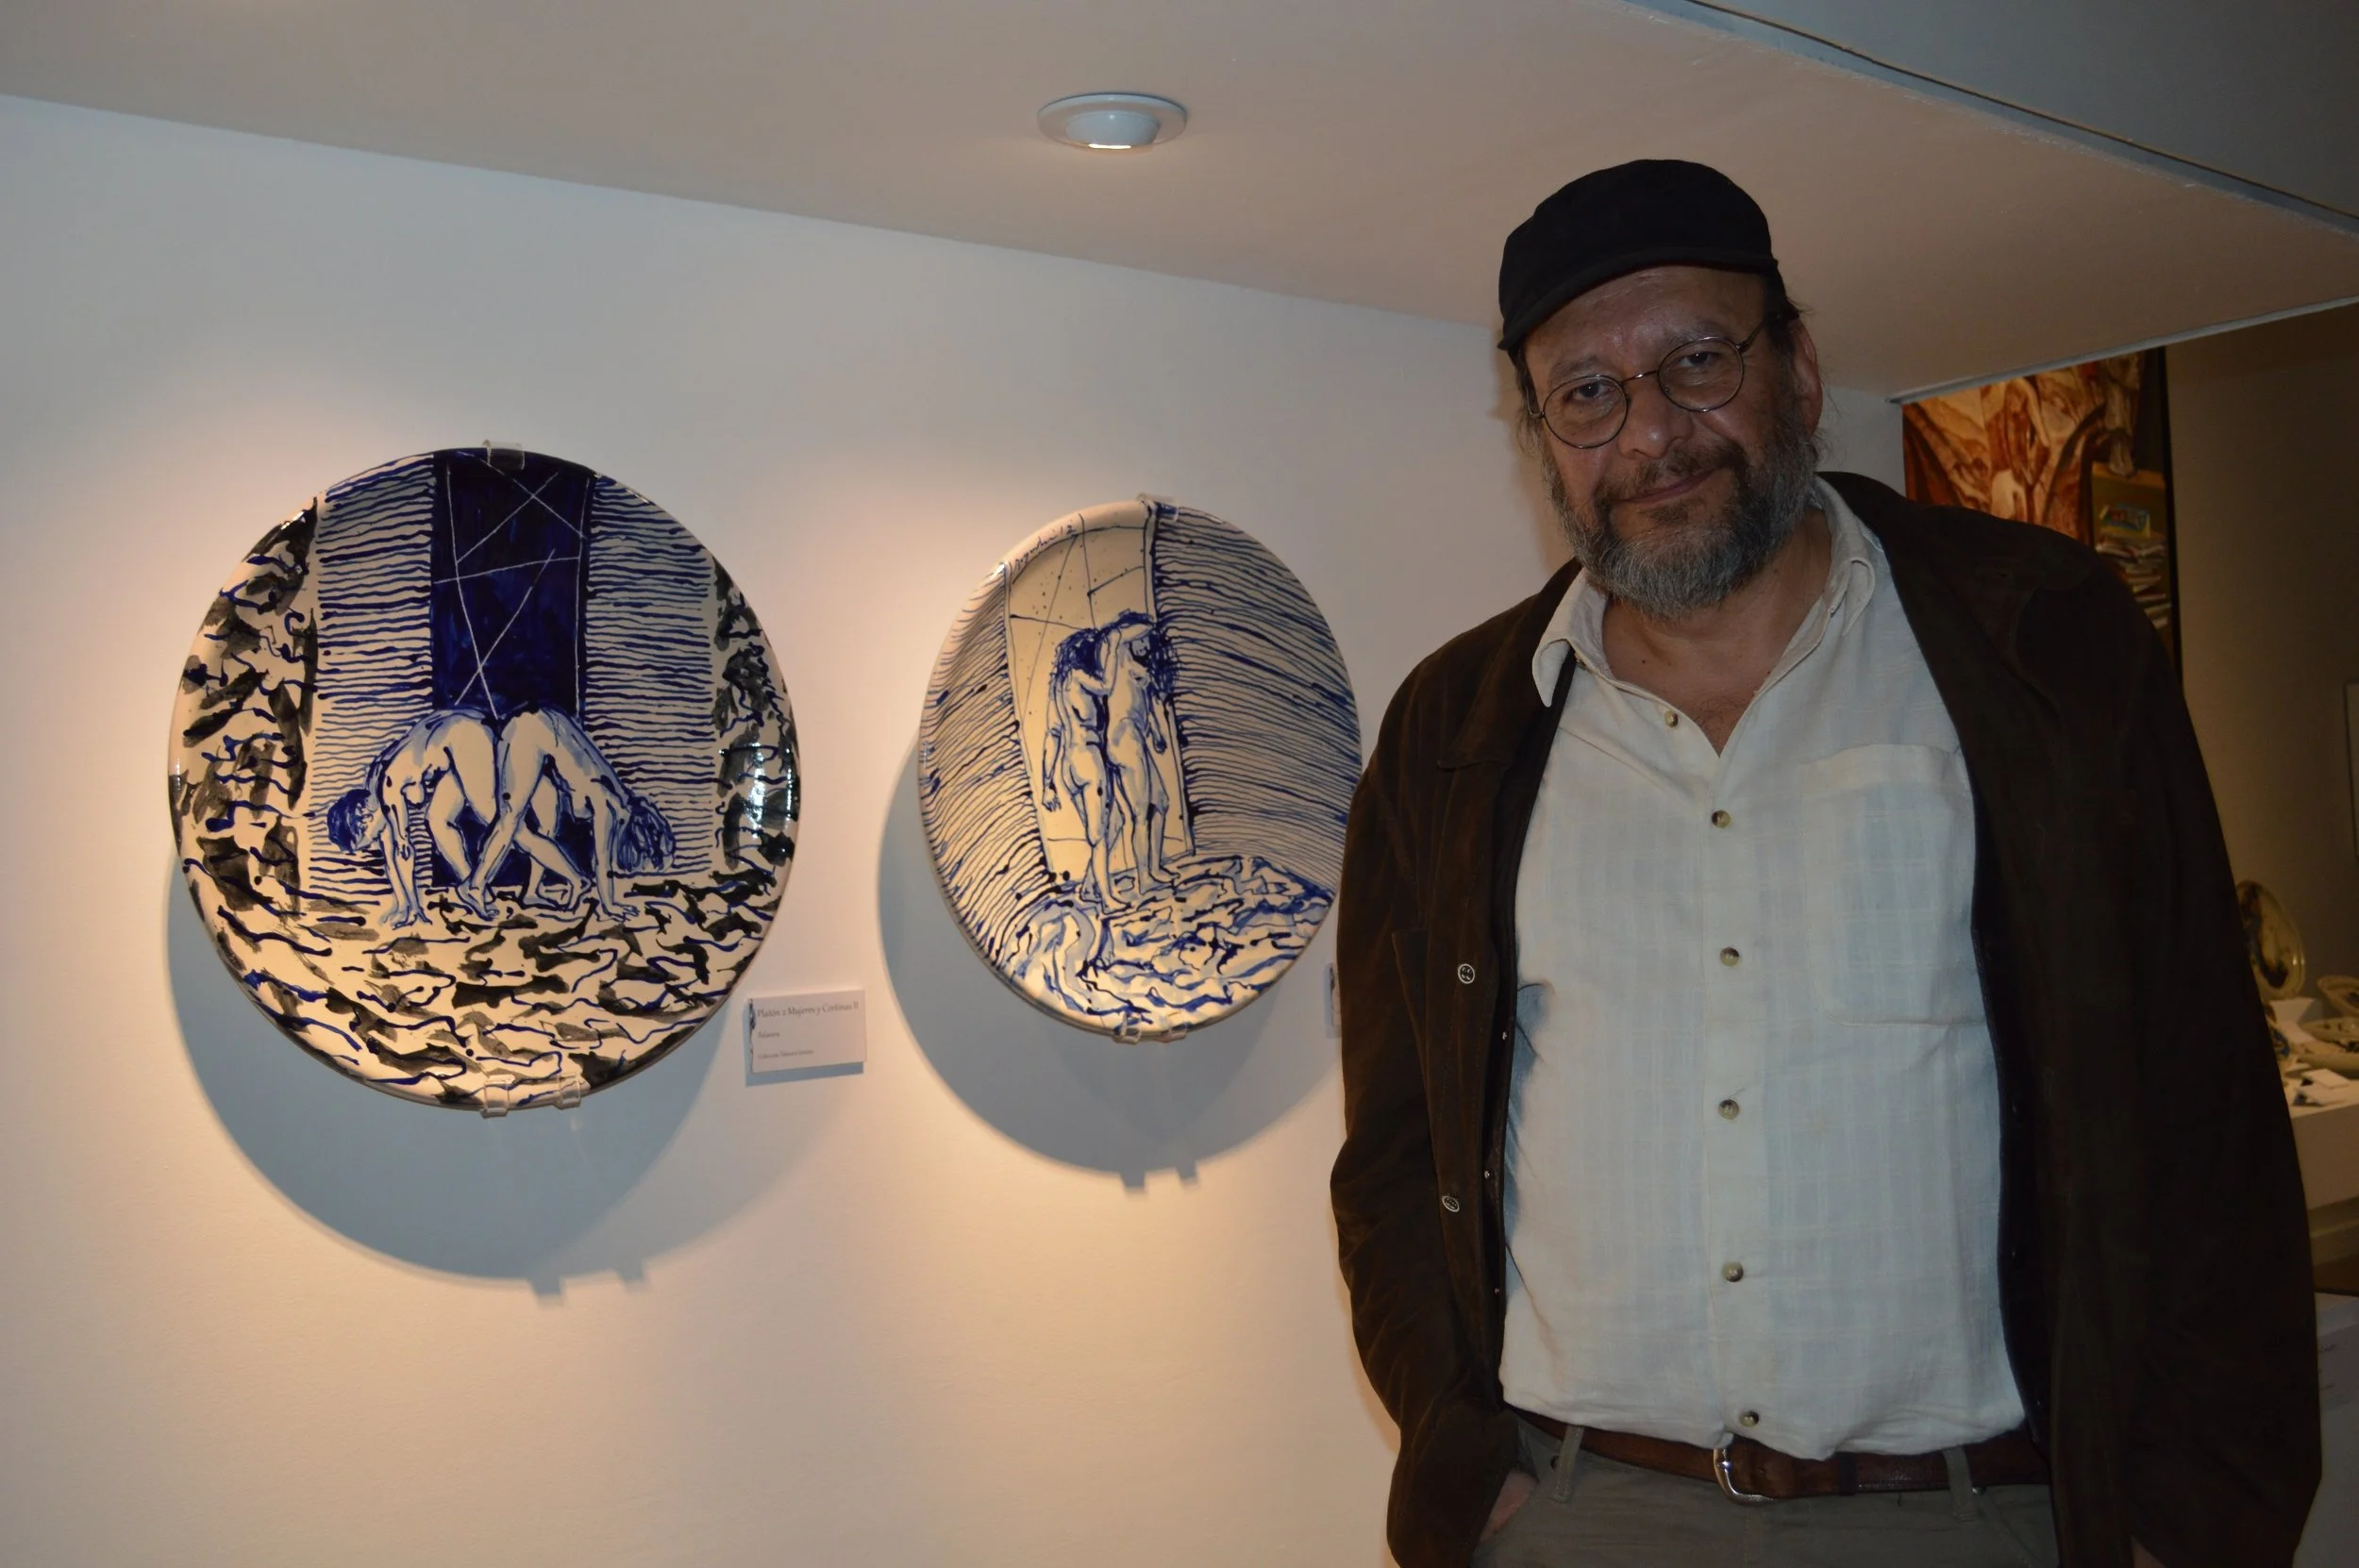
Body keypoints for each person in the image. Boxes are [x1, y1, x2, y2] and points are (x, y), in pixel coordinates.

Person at [1330, 160, 2317, 1568]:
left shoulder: (2043, 644)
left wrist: (2195, 1520)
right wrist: (1466, 1461)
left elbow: (2205, 1104)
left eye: (1697, 361)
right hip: (1581, 1511)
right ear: (1541, 435)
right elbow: (1395, 1148)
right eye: (1587, 392)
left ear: (1796, 369)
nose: (1651, 431)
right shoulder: (1454, 731)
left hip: (1975, 1515)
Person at [325, 708, 579, 927]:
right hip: (453, 742)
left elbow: (402, 851)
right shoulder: (376, 788)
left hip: (466, 736)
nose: (376, 843)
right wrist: (404, 906)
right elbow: (392, 855)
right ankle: (475, 887)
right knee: (437, 820)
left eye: (368, 841)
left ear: (362, 817)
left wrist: (415, 909)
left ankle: (575, 879)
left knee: (506, 825)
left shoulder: (387, 789)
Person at [452, 705, 674, 923]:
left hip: (541, 727)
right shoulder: (610, 807)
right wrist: (609, 905)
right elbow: (602, 862)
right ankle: (475, 887)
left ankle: (533, 891)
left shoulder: (617, 794)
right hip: (530, 730)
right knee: (509, 818)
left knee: (535, 822)